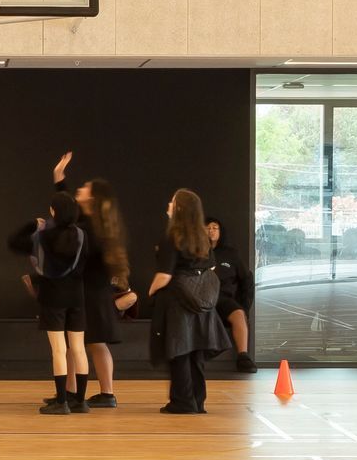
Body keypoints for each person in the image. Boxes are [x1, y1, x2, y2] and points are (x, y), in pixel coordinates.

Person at [53, 154, 132, 410]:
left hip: (89, 292)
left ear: (93, 199)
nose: (81, 189)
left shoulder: (92, 230)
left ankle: (100, 393)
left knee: (89, 341)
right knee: (85, 342)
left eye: (85, 188)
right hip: (92, 291)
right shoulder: (92, 225)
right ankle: (75, 390)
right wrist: (60, 181)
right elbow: (69, 213)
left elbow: (68, 219)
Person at [7, 188, 90, 414]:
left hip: (53, 295)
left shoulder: (42, 235)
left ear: (53, 211)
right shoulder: (82, 235)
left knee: (58, 350)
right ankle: (80, 401)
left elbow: (14, 242)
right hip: (77, 295)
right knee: (78, 349)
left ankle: (61, 401)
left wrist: (32, 225)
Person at [148, 190, 229, 414]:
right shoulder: (203, 238)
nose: (169, 203)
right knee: (196, 354)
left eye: (173, 201)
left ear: (180, 208)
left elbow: (164, 275)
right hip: (201, 303)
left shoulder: (171, 236)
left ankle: (182, 402)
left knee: (179, 351)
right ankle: (197, 400)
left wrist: (151, 291)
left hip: (178, 302)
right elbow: (210, 267)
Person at [208, 217, 256, 374]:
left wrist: (244, 305)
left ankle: (243, 357)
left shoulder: (231, 254)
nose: (211, 231)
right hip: (202, 299)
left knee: (238, 313)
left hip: (224, 299)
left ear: (220, 232)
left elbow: (247, 279)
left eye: (215, 228)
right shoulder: (195, 252)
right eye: (207, 228)